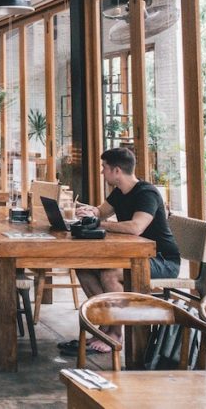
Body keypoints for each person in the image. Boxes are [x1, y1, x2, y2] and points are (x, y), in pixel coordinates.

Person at [65, 147, 181, 354]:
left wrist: (100, 224)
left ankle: (116, 332)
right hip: (134, 255)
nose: (102, 172)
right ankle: (105, 326)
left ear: (116, 171)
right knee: (83, 267)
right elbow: (101, 211)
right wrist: (90, 212)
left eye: (104, 168)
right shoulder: (119, 192)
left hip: (162, 260)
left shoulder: (147, 193)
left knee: (110, 273)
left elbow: (136, 227)